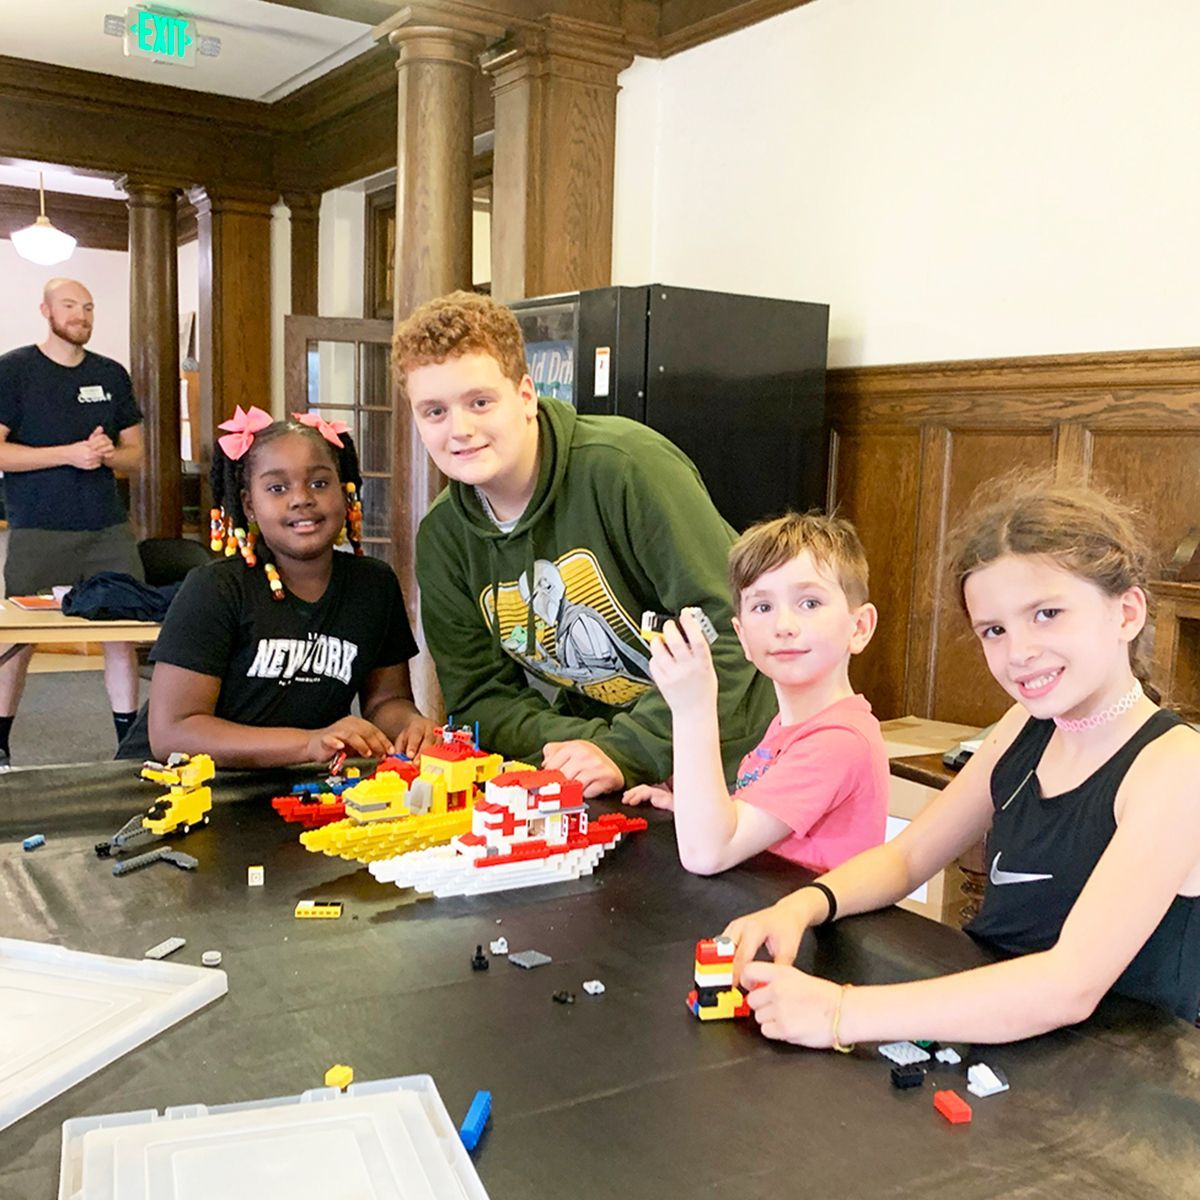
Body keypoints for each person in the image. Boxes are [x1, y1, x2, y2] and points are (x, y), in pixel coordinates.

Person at [723, 476, 1200, 1047]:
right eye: (994, 630)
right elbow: (905, 859)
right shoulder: (1024, 726)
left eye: (1047, 613)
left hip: (1125, 1078)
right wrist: (803, 905)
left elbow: (1068, 986)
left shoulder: (1175, 767)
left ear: (1126, 614)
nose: (1019, 651)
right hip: (1000, 1033)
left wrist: (839, 1012)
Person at [393, 290, 777, 797]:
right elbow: (481, 698)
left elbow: (735, 623)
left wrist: (630, 748)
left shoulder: (628, 467)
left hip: (744, 756)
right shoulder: (443, 538)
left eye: (480, 402)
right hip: (604, 773)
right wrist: (599, 749)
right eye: (434, 412)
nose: (459, 430)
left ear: (526, 396)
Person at [116, 410, 436, 767]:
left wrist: (409, 724)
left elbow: (385, 701)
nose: (301, 498)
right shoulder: (215, 589)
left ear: (346, 492)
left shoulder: (374, 585)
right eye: (277, 488)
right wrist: (308, 743)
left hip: (291, 781)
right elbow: (173, 733)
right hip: (175, 784)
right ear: (250, 505)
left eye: (319, 483)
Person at [624, 512, 889, 876]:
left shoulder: (838, 741)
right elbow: (754, 818)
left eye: (809, 603)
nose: (784, 626)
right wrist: (689, 806)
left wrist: (693, 708)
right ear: (742, 635)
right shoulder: (788, 727)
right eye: (763, 607)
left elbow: (707, 854)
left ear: (859, 627)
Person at [0, 278, 144, 764]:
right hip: (38, 526)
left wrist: (106, 455)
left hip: (106, 527)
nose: (81, 314)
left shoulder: (111, 374)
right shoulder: (14, 370)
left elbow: (137, 456)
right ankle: (0, 744)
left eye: (88, 306)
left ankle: (127, 745)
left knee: (122, 632)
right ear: (45, 310)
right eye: (69, 305)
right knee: (18, 638)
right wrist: (70, 454)